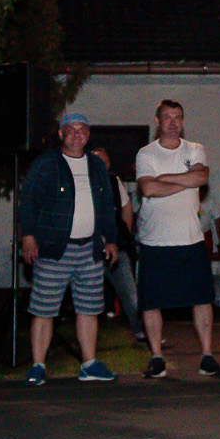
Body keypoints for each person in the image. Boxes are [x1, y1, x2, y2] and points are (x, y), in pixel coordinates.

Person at [18, 114, 120, 384]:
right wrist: (28, 237)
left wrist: (111, 239)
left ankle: (89, 364)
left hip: (90, 250)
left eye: (82, 130)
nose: (76, 135)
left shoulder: (96, 166)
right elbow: (28, 201)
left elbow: (107, 206)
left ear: (88, 135)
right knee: (44, 309)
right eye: (70, 130)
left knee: (89, 308)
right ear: (61, 134)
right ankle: (38, 366)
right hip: (54, 250)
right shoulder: (45, 164)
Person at [135, 99, 220, 378]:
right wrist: (186, 178)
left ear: (183, 121)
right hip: (155, 241)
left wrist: (164, 178)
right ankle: (157, 357)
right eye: (167, 117)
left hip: (190, 239)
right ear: (158, 121)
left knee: (202, 298)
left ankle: (207, 356)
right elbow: (148, 189)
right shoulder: (146, 153)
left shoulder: (195, 149)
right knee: (152, 302)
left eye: (177, 117)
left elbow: (201, 179)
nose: (173, 123)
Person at [87, 142, 146, 342]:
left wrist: (123, 235)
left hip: (115, 250)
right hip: (88, 250)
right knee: (86, 298)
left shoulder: (114, 182)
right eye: (96, 161)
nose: (100, 166)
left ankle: (141, 332)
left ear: (108, 165)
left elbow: (126, 207)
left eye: (104, 162)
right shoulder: (81, 182)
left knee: (130, 293)